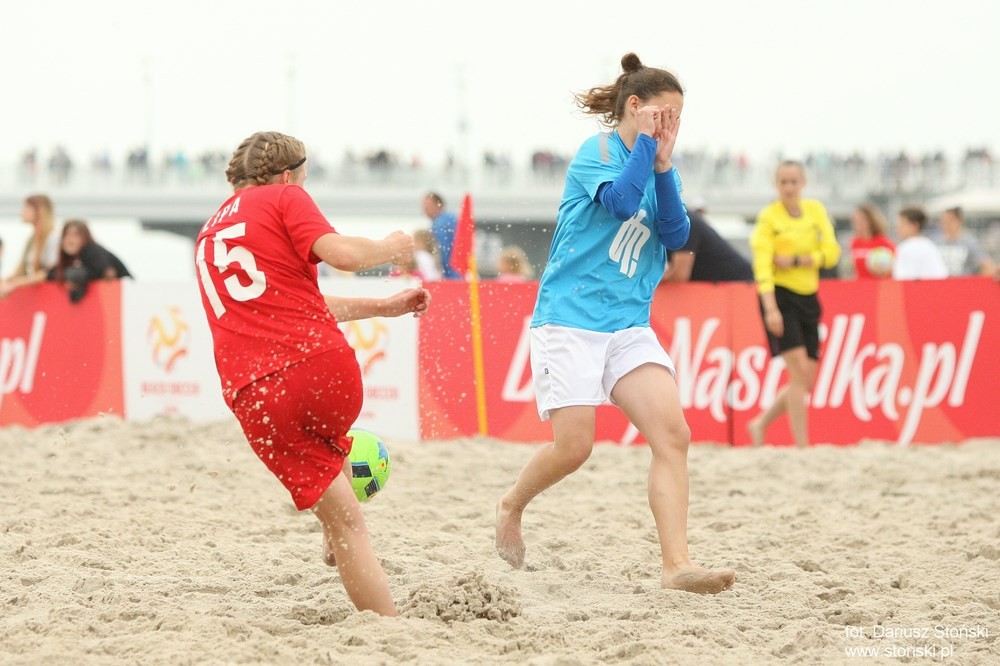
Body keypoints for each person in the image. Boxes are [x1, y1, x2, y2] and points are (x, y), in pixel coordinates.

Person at [494, 53, 736, 595]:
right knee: (575, 447)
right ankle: (511, 504)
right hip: (571, 320)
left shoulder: (657, 166)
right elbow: (623, 202)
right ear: (635, 107)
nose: (671, 126)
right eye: (663, 115)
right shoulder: (597, 151)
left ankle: (677, 565)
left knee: (673, 435)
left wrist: (666, 167)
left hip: (628, 325)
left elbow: (675, 237)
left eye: (678, 118)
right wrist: (649, 152)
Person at [194, 131, 431, 617]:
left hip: (257, 393)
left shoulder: (208, 234)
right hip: (325, 370)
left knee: (346, 523)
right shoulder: (285, 195)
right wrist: (390, 247)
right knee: (339, 488)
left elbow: (284, 305)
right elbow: (341, 256)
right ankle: (386, 620)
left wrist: (380, 308)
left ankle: (377, 611)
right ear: (288, 174)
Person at [747, 161, 841, 448]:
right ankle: (802, 445)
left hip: (808, 296)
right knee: (798, 373)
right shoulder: (768, 218)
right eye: (783, 182)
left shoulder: (815, 210)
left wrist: (802, 260)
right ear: (776, 185)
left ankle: (760, 423)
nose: (788, 187)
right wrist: (771, 308)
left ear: (803, 183)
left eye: (793, 181)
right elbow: (762, 267)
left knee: (806, 379)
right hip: (779, 296)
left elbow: (833, 253)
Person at [47, 219, 132, 302]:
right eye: (66, 234)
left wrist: (77, 276)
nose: (69, 239)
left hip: (127, 296)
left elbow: (108, 273)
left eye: (75, 235)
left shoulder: (91, 250)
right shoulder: (72, 260)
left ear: (84, 237)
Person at [661, 206, 753, 283]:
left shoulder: (685, 223)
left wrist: (649, 281)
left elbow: (679, 276)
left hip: (739, 285)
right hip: (723, 286)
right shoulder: (675, 222)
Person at [0, 194, 60, 298]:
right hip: (35, 296)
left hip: (48, 296)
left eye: (27, 208)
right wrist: (8, 280)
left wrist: (16, 283)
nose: (22, 212)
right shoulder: (31, 240)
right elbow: (22, 269)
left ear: (39, 211)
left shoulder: (53, 238)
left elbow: (50, 272)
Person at [933, 206, 996, 277]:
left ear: (959, 221)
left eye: (950, 220)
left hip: (962, 283)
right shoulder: (935, 241)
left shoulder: (969, 241)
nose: (946, 224)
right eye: (943, 220)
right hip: (940, 284)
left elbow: (986, 264)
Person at [893, 206, 949, 280]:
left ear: (915, 225)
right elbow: (941, 274)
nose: (898, 227)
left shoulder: (904, 248)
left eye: (902, 223)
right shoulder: (930, 245)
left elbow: (901, 277)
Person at [847, 203, 895, 279]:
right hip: (860, 286)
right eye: (855, 220)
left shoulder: (883, 242)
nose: (858, 223)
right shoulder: (854, 242)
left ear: (871, 220)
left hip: (878, 287)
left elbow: (894, 266)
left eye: (861, 219)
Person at [421, 192, 461, 280]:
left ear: (438, 205)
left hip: (451, 271)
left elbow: (443, 249)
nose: (425, 209)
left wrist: (441, 269)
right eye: (424, 206)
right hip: (459, 268)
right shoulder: (451, 218)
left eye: (428, 205)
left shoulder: (440, 223)